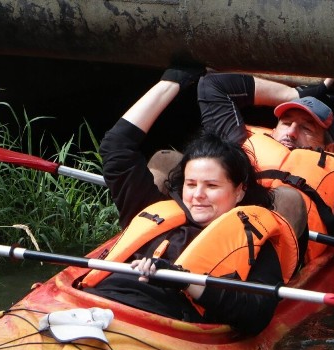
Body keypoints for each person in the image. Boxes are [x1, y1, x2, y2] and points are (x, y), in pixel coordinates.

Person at [82, 70, 299, 335]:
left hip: (157, 329)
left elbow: (256, 315)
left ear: (240, 191)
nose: (197, 195)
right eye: (191, 184)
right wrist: (173, 81)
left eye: (212, 186)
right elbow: (116, 147)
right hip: (90, 309)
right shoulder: (148, 208)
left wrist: (187, 282)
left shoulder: (256, 243)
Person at [196, 72, 334, 260]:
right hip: (204, 236)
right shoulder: (237, 142)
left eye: (307, 129)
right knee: (166, 161)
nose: (292, 132)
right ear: (273, 129)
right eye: (285, 123)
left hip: (263, 263)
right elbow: (212, 84)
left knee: (287, 198)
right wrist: (299, 93)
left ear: (329, 149)